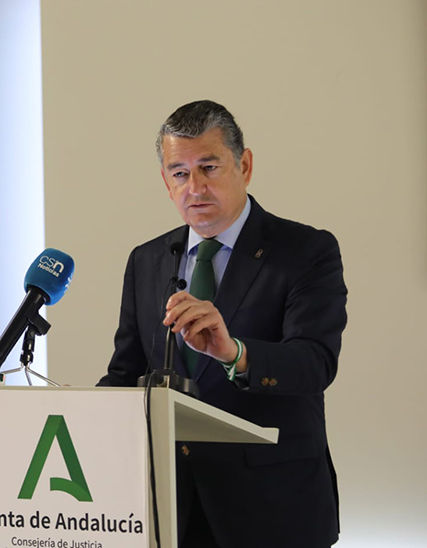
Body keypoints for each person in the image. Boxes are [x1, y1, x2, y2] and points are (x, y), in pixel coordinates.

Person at [98, 100, 346, 548]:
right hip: (173, 510)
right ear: (165, 181)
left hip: (273, 510)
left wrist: (234, 352)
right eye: (180, 173)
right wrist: (72, 421)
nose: (194, 187)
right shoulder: (148, 260)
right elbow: (126, 374)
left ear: (245, 165)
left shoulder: (306, 250)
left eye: (209, 167)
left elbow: (315, 363)